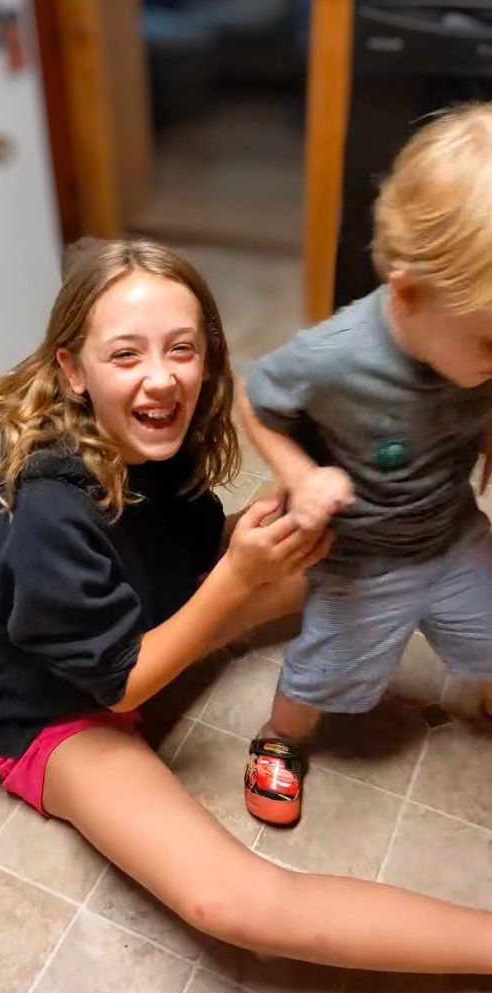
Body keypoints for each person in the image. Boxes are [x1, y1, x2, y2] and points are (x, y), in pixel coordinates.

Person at [0, 237, 492, 975]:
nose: (161, 378)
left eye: (182, 349)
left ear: (208, 356)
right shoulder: (38, 514)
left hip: (144, 615)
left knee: (361, 549)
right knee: (230, 903)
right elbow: (123, 684)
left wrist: (290, 512)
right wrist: (237, 578)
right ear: (72, 370)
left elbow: (190, 548)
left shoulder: (161, 435)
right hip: (56, 712)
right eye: (125, 354)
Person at [241, 102, 492, 828]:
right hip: (365, 555)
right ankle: (279, 739)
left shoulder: (469, 334)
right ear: (410, 295)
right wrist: (300, 476)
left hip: (452, 532)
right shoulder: (333, 356)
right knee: (327, 665)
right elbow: (254, 402)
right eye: (491, 343)